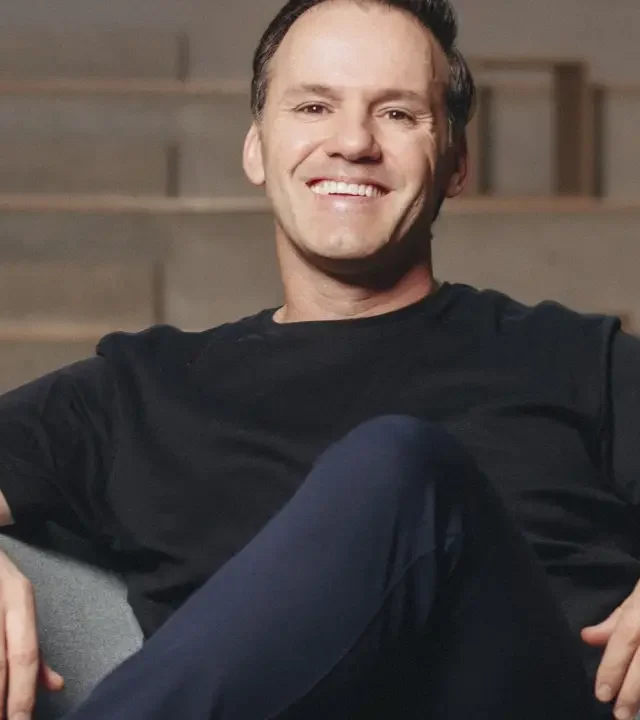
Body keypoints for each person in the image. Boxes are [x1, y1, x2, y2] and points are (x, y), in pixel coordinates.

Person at [0, 0, 638, 718]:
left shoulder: (577, 358)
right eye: (313, 107)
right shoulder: (139, 391)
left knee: (405, 467)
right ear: (256, 150)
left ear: (455, 163)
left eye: (397, 114)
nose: (353, 142)